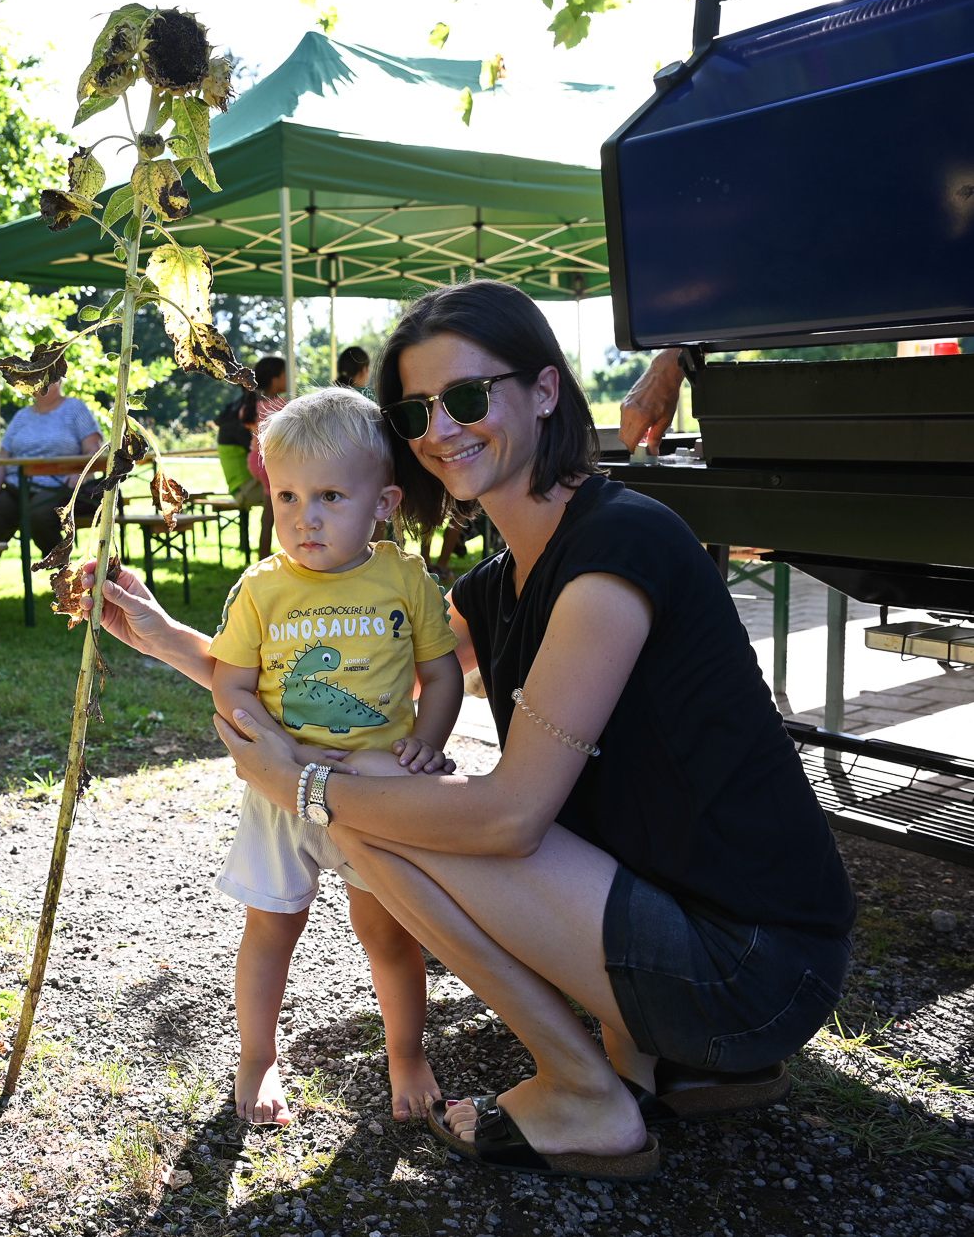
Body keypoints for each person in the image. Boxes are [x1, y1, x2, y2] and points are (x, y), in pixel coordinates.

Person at [83, 280, 854, 1182]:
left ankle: (583, 1092)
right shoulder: (496, 586)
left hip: (755, 970)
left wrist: (304, 789)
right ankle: (657, 1058)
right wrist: (159, 636)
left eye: (465, 397)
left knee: (362, 809)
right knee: (371, 786)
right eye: (415, 410)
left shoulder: (618, 550)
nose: (438, 429)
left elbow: (508, 820)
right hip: (692, 956)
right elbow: (348, 659)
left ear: (544, 391)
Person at [209, 386, 463, 1126]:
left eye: (327, 496)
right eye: (286, 496)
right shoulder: (261, 588)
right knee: (270, 926)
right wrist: (274, 750)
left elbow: (441, 671)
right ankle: (257, 1058)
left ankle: (406, 1054)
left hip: (373, 791)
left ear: (381, 503)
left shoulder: (405, 578)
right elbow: (231, 682)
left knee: (386, 931)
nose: (303, 517)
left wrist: (429, 740)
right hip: (279, 793)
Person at [0, 377, 103, 589]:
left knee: (39, 515)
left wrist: (79, 475)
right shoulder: (21, 416)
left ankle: (66, 578)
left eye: (47, 379)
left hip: (60, 487)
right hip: (18, 487)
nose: (40, 385)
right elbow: (3, 460)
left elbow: (94, 449)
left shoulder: (75, 409)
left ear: (60, 380)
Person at [245, 356, 289, 556]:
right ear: (275, 379)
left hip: (256, 459)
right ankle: (270, 556)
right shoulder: (281, 405)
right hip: (270, 461)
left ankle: (263, 554)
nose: (288, 378)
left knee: (269, 509)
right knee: (275, 511)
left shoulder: (253, 404)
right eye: (284, 375)